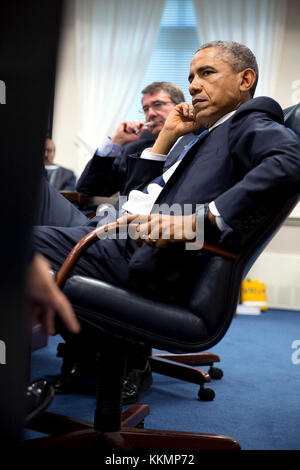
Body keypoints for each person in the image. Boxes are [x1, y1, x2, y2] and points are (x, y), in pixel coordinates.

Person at [34, 41, 300, 405]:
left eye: (206, 73)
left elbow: (289, 161)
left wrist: (202, 219)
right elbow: (134, 198)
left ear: (245, 79)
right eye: (190, 76)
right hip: (116, 228)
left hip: (138, 253)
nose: (192, 85)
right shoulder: (203, 134)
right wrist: (165, 139)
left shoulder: (249, 118)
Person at [76, 81, 194, 197]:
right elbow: (88, 189)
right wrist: (116, 141)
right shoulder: (133, 150)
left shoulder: (196, 142)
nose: (151, 113)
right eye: (146, 109)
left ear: (179, 106)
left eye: (158, 104)